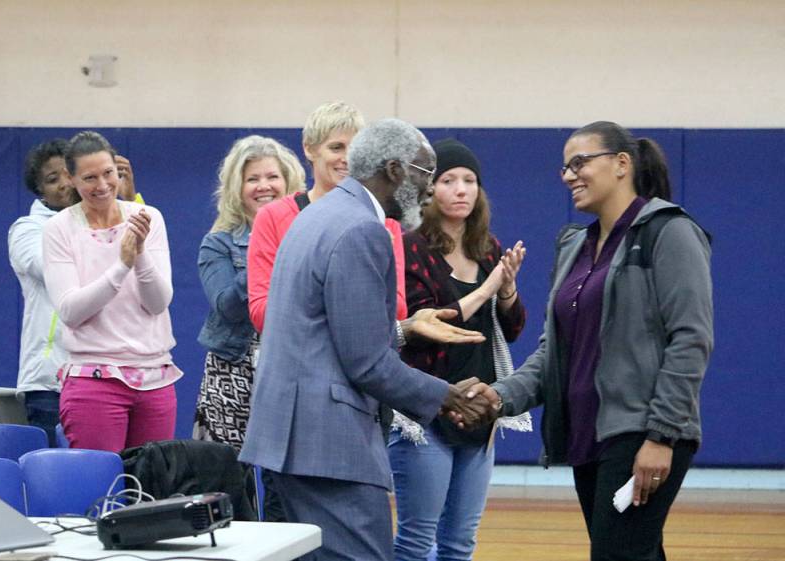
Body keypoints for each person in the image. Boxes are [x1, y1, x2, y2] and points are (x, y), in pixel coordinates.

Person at [239, 119, 494, 561]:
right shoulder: (361, 229)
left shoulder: (317, 213)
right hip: (328, 442)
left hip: (293, 434)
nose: (430, 188)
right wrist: (449, 397)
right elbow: (367, 361)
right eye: (424, 173)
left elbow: (325, 333)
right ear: (395, 170)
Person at [483, 121, 713, 561]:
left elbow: (690, 339)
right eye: (565, 167)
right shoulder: (574, 247)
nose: (568, 175)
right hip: (588, 435)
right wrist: (497, 398)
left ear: (621, 164)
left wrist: (662, 436)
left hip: (641, 434)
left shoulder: (669, 231)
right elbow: (554, 353)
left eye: (579, 163)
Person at [390, 139, 529, 561]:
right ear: (430, 191)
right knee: (416, 541)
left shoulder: (487, 248)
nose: (461, 189)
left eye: (470, 181)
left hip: (478, 409)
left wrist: (506, 290)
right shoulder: (410, 246)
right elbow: (424, 323)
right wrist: (487, 287)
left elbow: (512, 327)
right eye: (449, 180)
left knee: (460, 543)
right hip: (425, 412)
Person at [43, 131, 180, 452]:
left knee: (153, 492)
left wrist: (140, 254)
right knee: (101, 491)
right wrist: (121, 265)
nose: (102, 185)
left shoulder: (148, 218)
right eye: (90, 178)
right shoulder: (60, 228)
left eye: (109, 174)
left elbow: (159, 302)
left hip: (154, 377)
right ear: (72, 179)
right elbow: (71, 311)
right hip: (94, 379)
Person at [249, 100, 408, 332]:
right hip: (299, 362)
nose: (347, 158)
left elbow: (397, 308)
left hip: (361, 363)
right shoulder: (273, 217)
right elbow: (263, 312)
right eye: (336, 147)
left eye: (355, 149)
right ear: (309, 148)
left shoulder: (384, 220)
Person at [193, 135, 306, 450]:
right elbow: (226, 306)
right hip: (233, 370)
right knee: (229, 477)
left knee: (285, 478)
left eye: (272, 177)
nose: (264, 186)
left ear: (289, 183)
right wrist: (264, 247)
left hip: (292, 367)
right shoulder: (217, 243)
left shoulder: (310, 234)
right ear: (236, 190)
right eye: (252, 179)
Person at [10, 139, 76, 446]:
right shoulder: (27, 229)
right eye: (52, 180)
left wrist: (127, 203)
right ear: (40, 192)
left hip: (101, 377)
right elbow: (52, 269)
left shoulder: (105, 221)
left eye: (69, 173)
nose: (64, 183)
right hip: (50, 383)